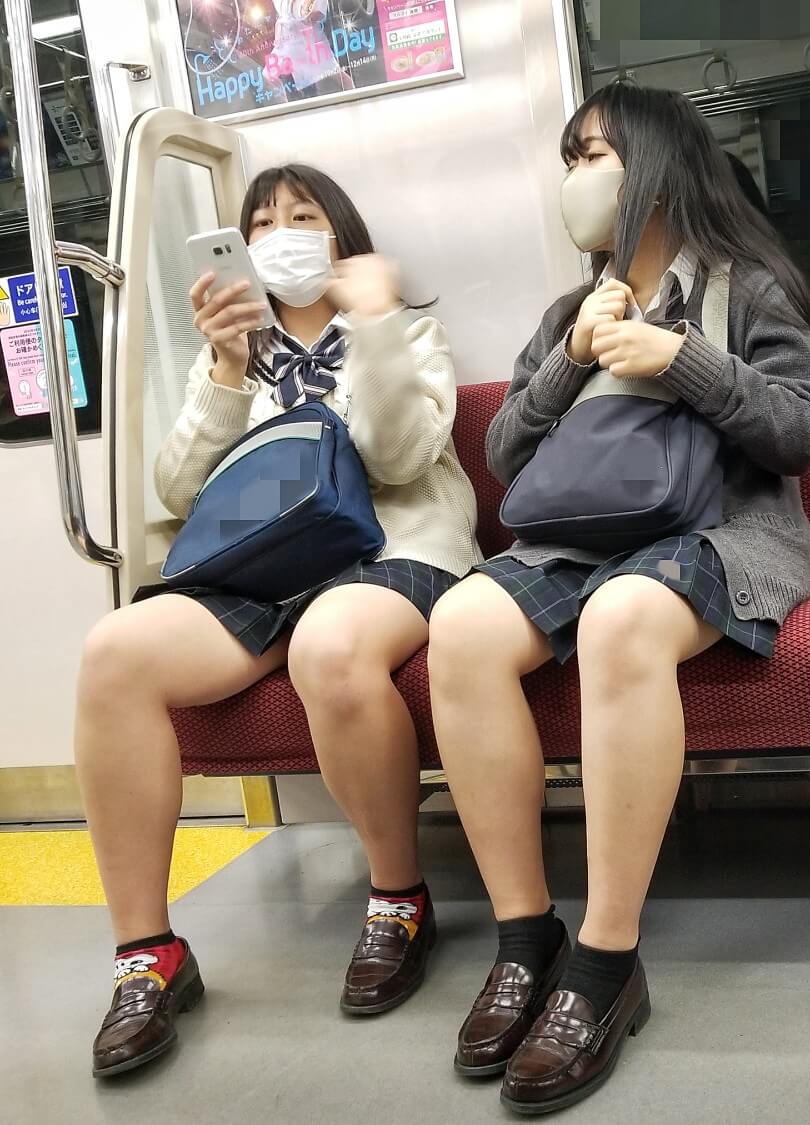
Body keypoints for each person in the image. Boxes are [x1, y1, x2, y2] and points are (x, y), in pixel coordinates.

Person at [427, 83, 810, 1115]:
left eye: (594, 155)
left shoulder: (748, 288)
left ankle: (606, 961)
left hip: (720, 533)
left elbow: (799, 435)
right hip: (575, 541)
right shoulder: (570, 311)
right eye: (570, 159)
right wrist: (570, 361)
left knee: (621, 618)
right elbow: (503, 456)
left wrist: (684, 359)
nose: (578, 178)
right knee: (461, 626)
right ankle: (526, 935)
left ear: (657, 163)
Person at [76, 163, 480, 1078]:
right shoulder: (237, 355)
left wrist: (373, 325)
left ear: (341, 237)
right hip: (266, 568)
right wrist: (225, 369)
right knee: (113, 652)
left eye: (303, 216)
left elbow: (401, 456)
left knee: (331, 644)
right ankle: (147, 953)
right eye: (260, 223)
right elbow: (179, 489)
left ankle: (397, 898)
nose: (280, 234)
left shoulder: (407, 330)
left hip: (392, 548)